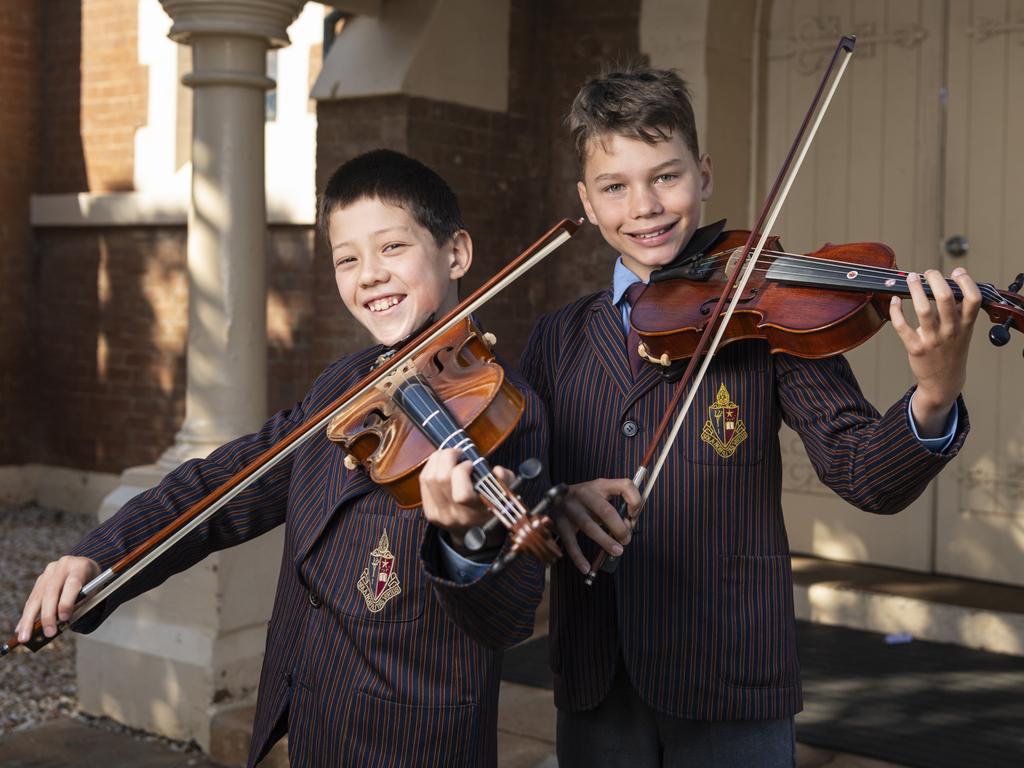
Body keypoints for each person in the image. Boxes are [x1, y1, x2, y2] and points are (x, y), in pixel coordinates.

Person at [15, 149, 548, 767]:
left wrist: (470, 539)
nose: (368, 274)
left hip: (416, 742)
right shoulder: (342, 388)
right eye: (347, 259)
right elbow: (224, 487)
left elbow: (509, 618)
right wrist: (98, 556)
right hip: (311, 722)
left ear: (455, 253)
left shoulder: (508, 409)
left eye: (392, 248)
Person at [519, 64, 980, 767]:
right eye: (616, 186)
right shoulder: (558, 338)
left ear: (703, 174)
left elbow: (863, 472)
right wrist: (553, 499)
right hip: (596, 673)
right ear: (586, 200)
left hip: (732, 669)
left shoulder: (766, 314)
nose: (644, 206)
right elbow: (516, 477)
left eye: (665, 176)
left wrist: (934, 395)